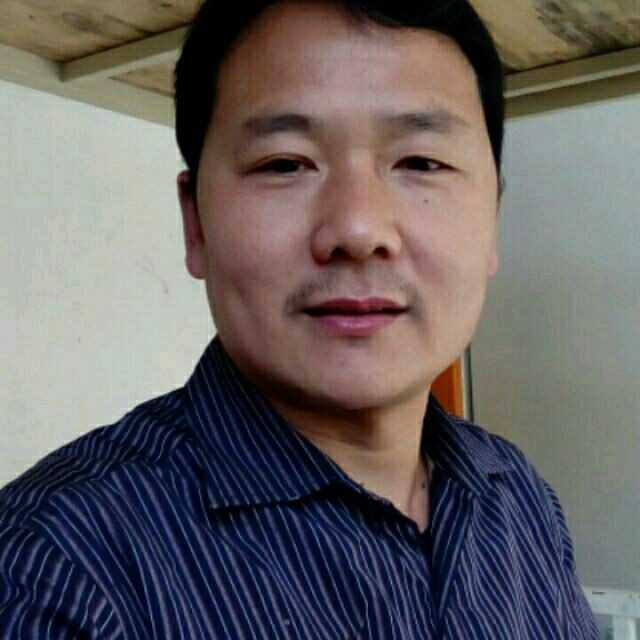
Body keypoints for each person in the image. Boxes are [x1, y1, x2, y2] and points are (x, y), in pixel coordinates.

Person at [0, 0, 599, 637]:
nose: (359, 230)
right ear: (195, 223)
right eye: (285, 163)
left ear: (493, 219)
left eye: (421, 163)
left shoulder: (516, 495)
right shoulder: (55, 571)